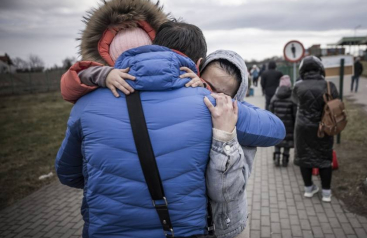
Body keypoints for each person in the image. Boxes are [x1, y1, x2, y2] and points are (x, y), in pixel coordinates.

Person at [56, 1, 285, 237]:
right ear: (198, 65)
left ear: (155, 46)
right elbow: (275, 130)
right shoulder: (210, 104)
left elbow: (68, 174)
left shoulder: (87, 103)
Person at [291, 56, 339, 202]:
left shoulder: (298, 86)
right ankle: (326, 193)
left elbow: (295, 102)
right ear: (320, 69)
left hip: (303, 127)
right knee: (324, 158)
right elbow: (336, 103)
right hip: (323, 127)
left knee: (304, 157)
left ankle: (308, 189)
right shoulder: (329, 85)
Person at [269, 75, 297, 167]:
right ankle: (285, 159)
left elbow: (271, 111)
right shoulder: (292, 97)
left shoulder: (275, 96)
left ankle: (277, 156)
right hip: (289, 125)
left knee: (277, 140)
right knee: (287, 142)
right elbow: (295, 113)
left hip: (277, 124)